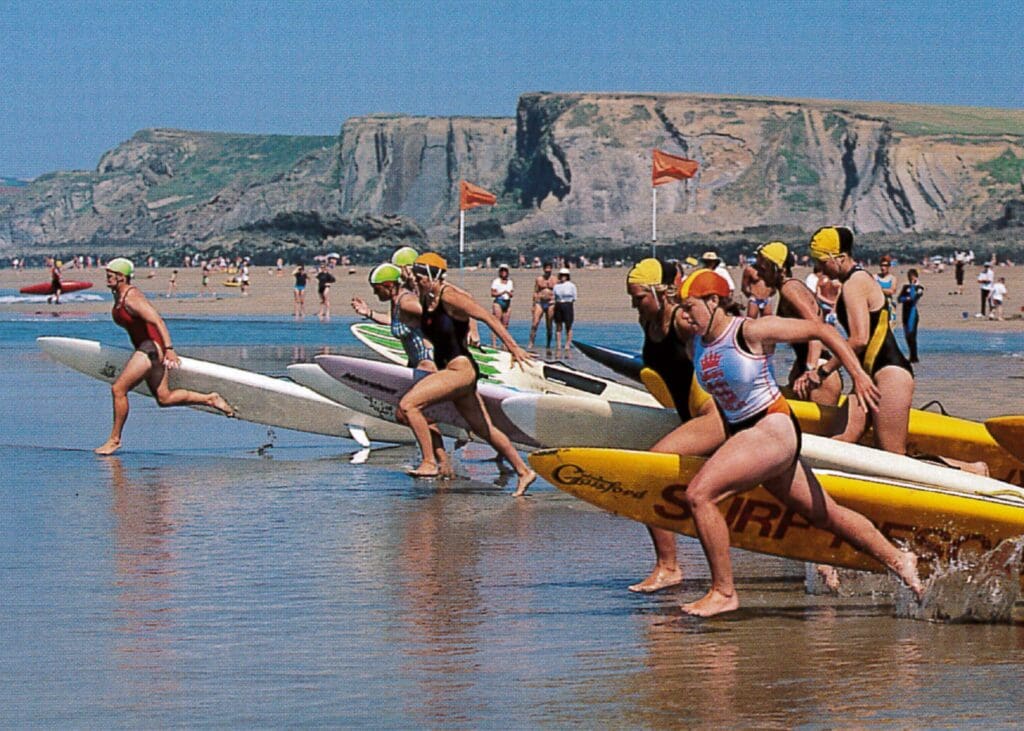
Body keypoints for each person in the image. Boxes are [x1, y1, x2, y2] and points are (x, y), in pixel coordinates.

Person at [673, 268, 922, 616]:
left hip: (773, 429)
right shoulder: (695, 341)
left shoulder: (750, 330)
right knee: (826, 515)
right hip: (748, 437)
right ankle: (900, 560)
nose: (685, 314)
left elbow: (821, 329)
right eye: (681, 308)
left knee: (700, 495)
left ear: (714, 301)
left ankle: (724, 591)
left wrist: (858, 376)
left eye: (690, 306)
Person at [397, 253, 536, 495]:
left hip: (460, 370)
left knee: (409, 405)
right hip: (453, 372)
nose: (417, 282)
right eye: (416, 278)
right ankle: (524, 472)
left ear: (432, 277)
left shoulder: (450, 297)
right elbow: (410, 281)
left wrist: (513, 347)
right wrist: (407, 274)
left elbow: (486, 316)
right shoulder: (426, 295)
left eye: (421, 278)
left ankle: (429, 463)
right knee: (484, 429)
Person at [625, 258, 725, 593]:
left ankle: (669, 567)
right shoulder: (648, 321)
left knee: (651, 469)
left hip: (713, 415)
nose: (634, 304)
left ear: (659, 291)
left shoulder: (682, 321)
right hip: (690, 417)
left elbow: (719, 342)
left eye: (639, 297)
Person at [94, 258, 233, 455]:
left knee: (118, 389)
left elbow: (157, 320)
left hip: (150, 349)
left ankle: (114, 440)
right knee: (164, 398)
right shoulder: (119, 295)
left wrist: (169, 348)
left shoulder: (132, 298)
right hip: (147, 349)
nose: (106, 278)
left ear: (121, 277)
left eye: (109, 275)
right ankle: (210, 399)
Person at [796, 226, 914, 454]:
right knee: (840, 441)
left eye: (821, 261)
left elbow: (859, 339)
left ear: (839, 258)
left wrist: (822, 371)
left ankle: (973, 470)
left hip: (890, 375)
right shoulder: (852, 281)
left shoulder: (854, 284)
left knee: (894, 457)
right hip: (868, 378)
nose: (818, 268)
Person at [351, 261, 452, 478]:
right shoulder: (398, 302)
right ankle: (443, 464)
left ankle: (430, 462)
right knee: (421, 416)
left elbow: (436, 316)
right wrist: (368, 313)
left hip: (428, 362)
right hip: (417, 365)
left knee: (408, 411)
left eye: (376, 289)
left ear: (388, 285)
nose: (375, 293)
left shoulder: (407, 302)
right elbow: (397, 323)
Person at [754, 241, 843, 405]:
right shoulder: (787, 289)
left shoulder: (790, 289)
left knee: (819, 431)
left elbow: (817, 330)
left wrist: (810, 370)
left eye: (762, 268)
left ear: (777, 268)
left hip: (818, 371)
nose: (758, 274)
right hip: (807, 365)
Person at [528, 261, 558, 351]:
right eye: (546, 269)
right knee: (535, 324)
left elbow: (558, 292)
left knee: (549, 325)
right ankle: (531, 342)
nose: (548, 270)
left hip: (551, 303)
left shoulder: (555, 279)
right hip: (540, 303)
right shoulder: (539, 279)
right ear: (544, 269)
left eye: (549, 269)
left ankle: (548, 344)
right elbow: (535, 291)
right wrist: (533, 305)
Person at [897, 269, 925, 362]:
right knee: (907, 335)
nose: (910, 279)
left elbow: (914, 298)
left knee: (912, 335)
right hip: (905, 313)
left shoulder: (919, 288)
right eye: (909, 277)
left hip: (912, 314)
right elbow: (899, 299)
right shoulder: (905, 287)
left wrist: (913, 286)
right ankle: (911, 355)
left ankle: (914, 356)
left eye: (912, 277)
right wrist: (906, 298)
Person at [552, 268, 578, 357]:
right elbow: (554, 296)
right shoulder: (556, 286)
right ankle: (558, 344)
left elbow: (574, 297)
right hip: (559, 304)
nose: (563, 277)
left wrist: (568, 304)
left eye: (565, 276)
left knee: (568, 326)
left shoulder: (571, 286)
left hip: (568, 305)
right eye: (561, 275)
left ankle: (567, 344)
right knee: (558, 326)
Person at [489, 265, 514, 348]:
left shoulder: (510, 282)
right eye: (502, 271)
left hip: (507, 302)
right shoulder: (496, 281)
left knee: (505, 325)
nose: (504, 273)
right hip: (499, 302)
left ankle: (504, 344)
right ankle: (494, 343)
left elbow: (511, 294)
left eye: (505, 271)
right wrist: (502, 292)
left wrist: (508, 293)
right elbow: (493, 293)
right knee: (496, 323)